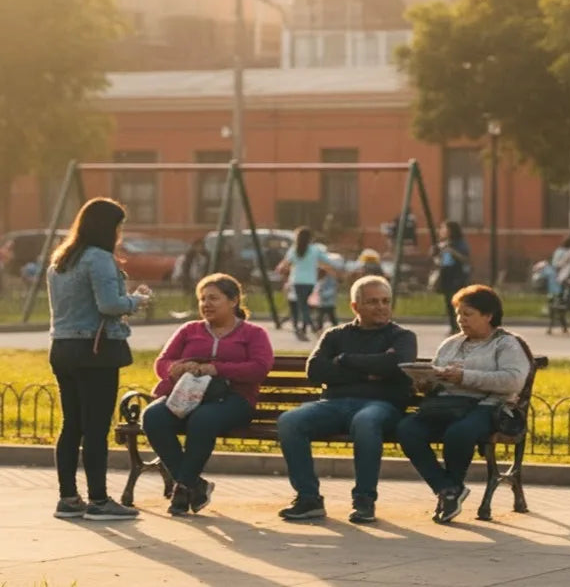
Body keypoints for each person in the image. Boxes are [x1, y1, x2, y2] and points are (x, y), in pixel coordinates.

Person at [277, 275, 418, 524]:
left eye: (386, 301)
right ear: (356, 306)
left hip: (381, 406)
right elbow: (316, 370)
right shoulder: (335, 335)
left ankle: (364, 500)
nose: (382, 307)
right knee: (290, 420)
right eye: (373, 302)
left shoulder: (403, 336)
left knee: (365, 421)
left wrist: (344, 360)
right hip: (333, 404)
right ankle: (308, 499)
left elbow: (395, 365)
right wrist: (371, 371)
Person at [47, 197, 153, 521]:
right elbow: (109, 305)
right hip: (96, 352)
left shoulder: (61, 260)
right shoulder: (100, 258)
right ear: (108, 227)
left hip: (62, 349)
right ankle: (99, 500)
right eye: (119, 226)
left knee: (72, 425)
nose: (121, 232)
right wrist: (138, 300)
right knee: (95, 428)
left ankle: (68, 498)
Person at [396, 284, 530, 524]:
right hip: (446, 405)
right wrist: (426, 381)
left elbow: (513, 381)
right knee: (407, 429)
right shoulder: (450, 344)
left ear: (488, 315)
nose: (461, 320)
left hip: (488, 406)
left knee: (459, 433)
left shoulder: (506, 344)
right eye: (459, 314)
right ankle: (448, 489)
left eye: (468, 314)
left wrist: (465, 376)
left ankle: (450, 491)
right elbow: (437, 376)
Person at [142, 273, 274, 516]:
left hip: (234, 400)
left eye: (214, 298)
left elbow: (259, 368)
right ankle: (194, 484)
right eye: (202, 299)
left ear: (233, 301)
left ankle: (182, 488)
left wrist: (218, 368)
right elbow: (162, 363)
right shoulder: (189, 330)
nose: (206, 304)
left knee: (203, 419)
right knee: (153, 416)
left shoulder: (253, 334)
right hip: (185, 395)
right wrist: (178, 367)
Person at [277, 227, 335, 341]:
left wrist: (280, 269)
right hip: (310, 281)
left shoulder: (294, 249)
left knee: (303, 305)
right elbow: (327, 261)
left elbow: (285, 263)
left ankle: (312, 327)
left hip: (297, 281)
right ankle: (304, 328)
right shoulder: (315, 249)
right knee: (305, 305)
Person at [433, 220, 471, 334]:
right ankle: (453, 326)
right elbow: (437, 259)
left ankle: (460, 326)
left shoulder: (459, 244)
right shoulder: (443, 244)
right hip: (446, 274)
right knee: (448, 302)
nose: (442, 231)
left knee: (457, 301)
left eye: (444, 229)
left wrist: (452, 251)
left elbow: (465, 259)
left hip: (456, 275)